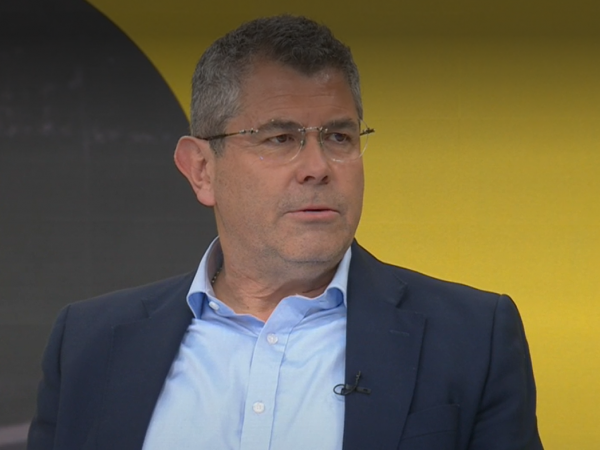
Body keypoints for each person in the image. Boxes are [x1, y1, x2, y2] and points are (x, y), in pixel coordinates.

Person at [27, 15, 543, 450]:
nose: (318, 168)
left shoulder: (472, 338)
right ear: (202, 170)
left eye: (338, 136)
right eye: (280, 138)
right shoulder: (89, 343)